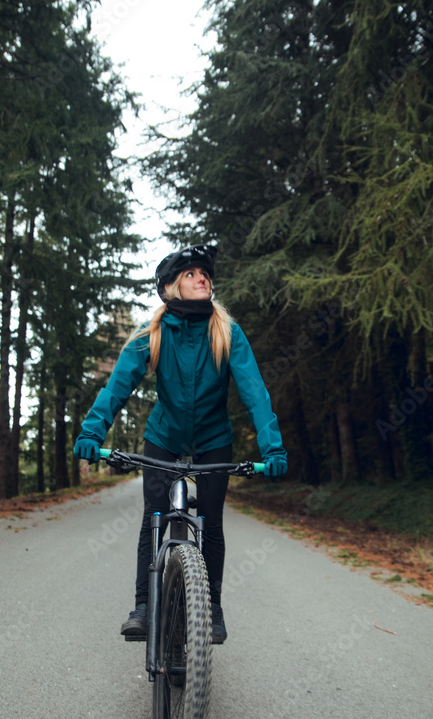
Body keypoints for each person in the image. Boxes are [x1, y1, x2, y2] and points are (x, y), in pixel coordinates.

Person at [74, 244, 287, 643]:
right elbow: (117, 386)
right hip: (164, 436)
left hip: (213, 439)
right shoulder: (152, 333)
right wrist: (91, 433)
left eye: (204, 273)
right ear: (171, 287)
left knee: (211, 521)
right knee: (153, 516)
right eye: (190, 274)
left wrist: (272, 448)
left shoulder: (227, 332)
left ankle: (214, 609)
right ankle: (142, 605)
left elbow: (255, 392)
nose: (201, 277)